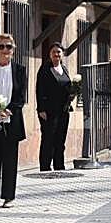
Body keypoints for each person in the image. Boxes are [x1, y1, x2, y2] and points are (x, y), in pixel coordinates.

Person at [0, 34, 27, 208]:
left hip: (12, 120)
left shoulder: (19, 70)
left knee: (10, 160)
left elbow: (21, 96)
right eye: (1, 46)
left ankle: (9, 196)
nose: (5, 50)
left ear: (13, 50)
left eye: (8, 47)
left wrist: (8, 110)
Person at [36, 43, 72, 171]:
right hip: (49, 111)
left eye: (59, 52)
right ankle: (45, 167)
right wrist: (41, 109)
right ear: (50, 54)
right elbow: (39, 89)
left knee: (60, 139)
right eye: (54, 52)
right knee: (48, 139)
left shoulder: (64, 68)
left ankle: (59, 166)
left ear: (62, 54)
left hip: (63, 110)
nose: (56, 55)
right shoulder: (45, 69)